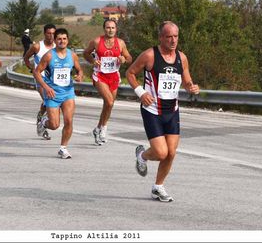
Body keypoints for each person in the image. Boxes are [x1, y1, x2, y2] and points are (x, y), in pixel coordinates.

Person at [125, 21, 200, 202]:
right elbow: (130, 73)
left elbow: (186, 78)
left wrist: (191, 87)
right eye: (169, 37)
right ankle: (142, 155)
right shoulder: (150, 55)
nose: (173, 40)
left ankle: (158, 187)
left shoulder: (182, 57)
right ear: (161, 38)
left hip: (172, 110)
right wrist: (141, 93)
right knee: (160, 153)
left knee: (171, 153)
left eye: (175, 36)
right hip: (152, 110)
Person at [34, 28, 83, 159]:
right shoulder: (49, 55)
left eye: (64, 39)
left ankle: (63, 148)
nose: (62, 41)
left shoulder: (72, 55)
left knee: (69, 121)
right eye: (59, 39)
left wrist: (79, 76)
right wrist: (45, 87)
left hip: (68, 92)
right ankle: (44, 121)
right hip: (52, 94)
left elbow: (79, 70)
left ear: (68, 40)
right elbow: (37, 72)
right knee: (54, 125)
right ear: (55, 41)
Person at [83, 19, 132, 146]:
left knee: (108, 105)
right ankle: (103, 129)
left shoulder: (120, 43)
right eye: (108, 27)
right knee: (109, 101)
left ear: (116, 29)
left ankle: (98, 128)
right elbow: (86, 53)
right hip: (100, 75)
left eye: (112, 28)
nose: (110, 30)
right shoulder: (96, 41)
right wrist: (93, 61)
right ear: (104, 29)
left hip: (114, 76)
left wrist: (123, 59)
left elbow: (129, 58)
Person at [24, 24, 56, 140]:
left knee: (50, 102)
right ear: (44, 33)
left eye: (53, 33)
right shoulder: (37, 46)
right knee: (49, 101)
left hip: (54, 80)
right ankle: (44, 128)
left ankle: (40, 115)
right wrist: (32, 69)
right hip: (40, 79)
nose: (51, 36)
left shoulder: (58, 46)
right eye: (49, 33)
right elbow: (26, 58)